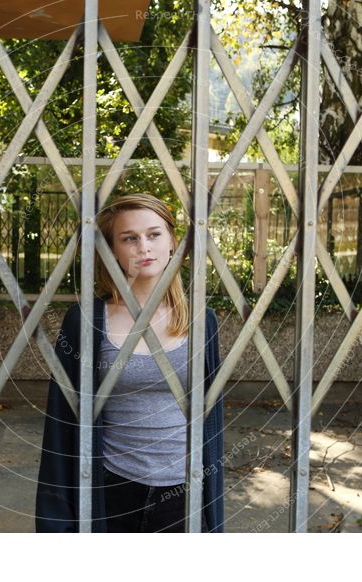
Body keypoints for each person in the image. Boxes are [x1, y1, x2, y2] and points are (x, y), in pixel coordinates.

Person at [35, 193, 225, 533]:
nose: (143, 247)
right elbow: (61, 424)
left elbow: (212, 420)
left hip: (184, 490)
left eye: (154, 234)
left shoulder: (202, 321)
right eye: (129, 238)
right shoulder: (85, 322)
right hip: (113, 488)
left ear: (172, 244)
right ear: (112, 251)